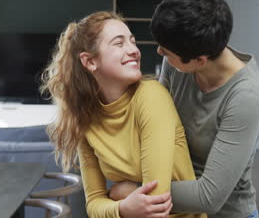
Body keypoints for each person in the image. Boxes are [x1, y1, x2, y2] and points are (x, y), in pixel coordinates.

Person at [110, 0, 259, 218]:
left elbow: (209, 196)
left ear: (200, 61)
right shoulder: (178, 61)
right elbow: (153, 125)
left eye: (167, 52)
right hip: (173, 206)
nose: (160, 54)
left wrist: (135, 190)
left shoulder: (246, 98)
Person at [40, 11, 206, 218]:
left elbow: (155, 203)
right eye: (119, 43)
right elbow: (93, 205)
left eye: (132, 42)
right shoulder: (84, 118)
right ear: (90, 62)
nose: (134, 50)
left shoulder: (151, 97)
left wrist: (121, 192)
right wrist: (123, 208)